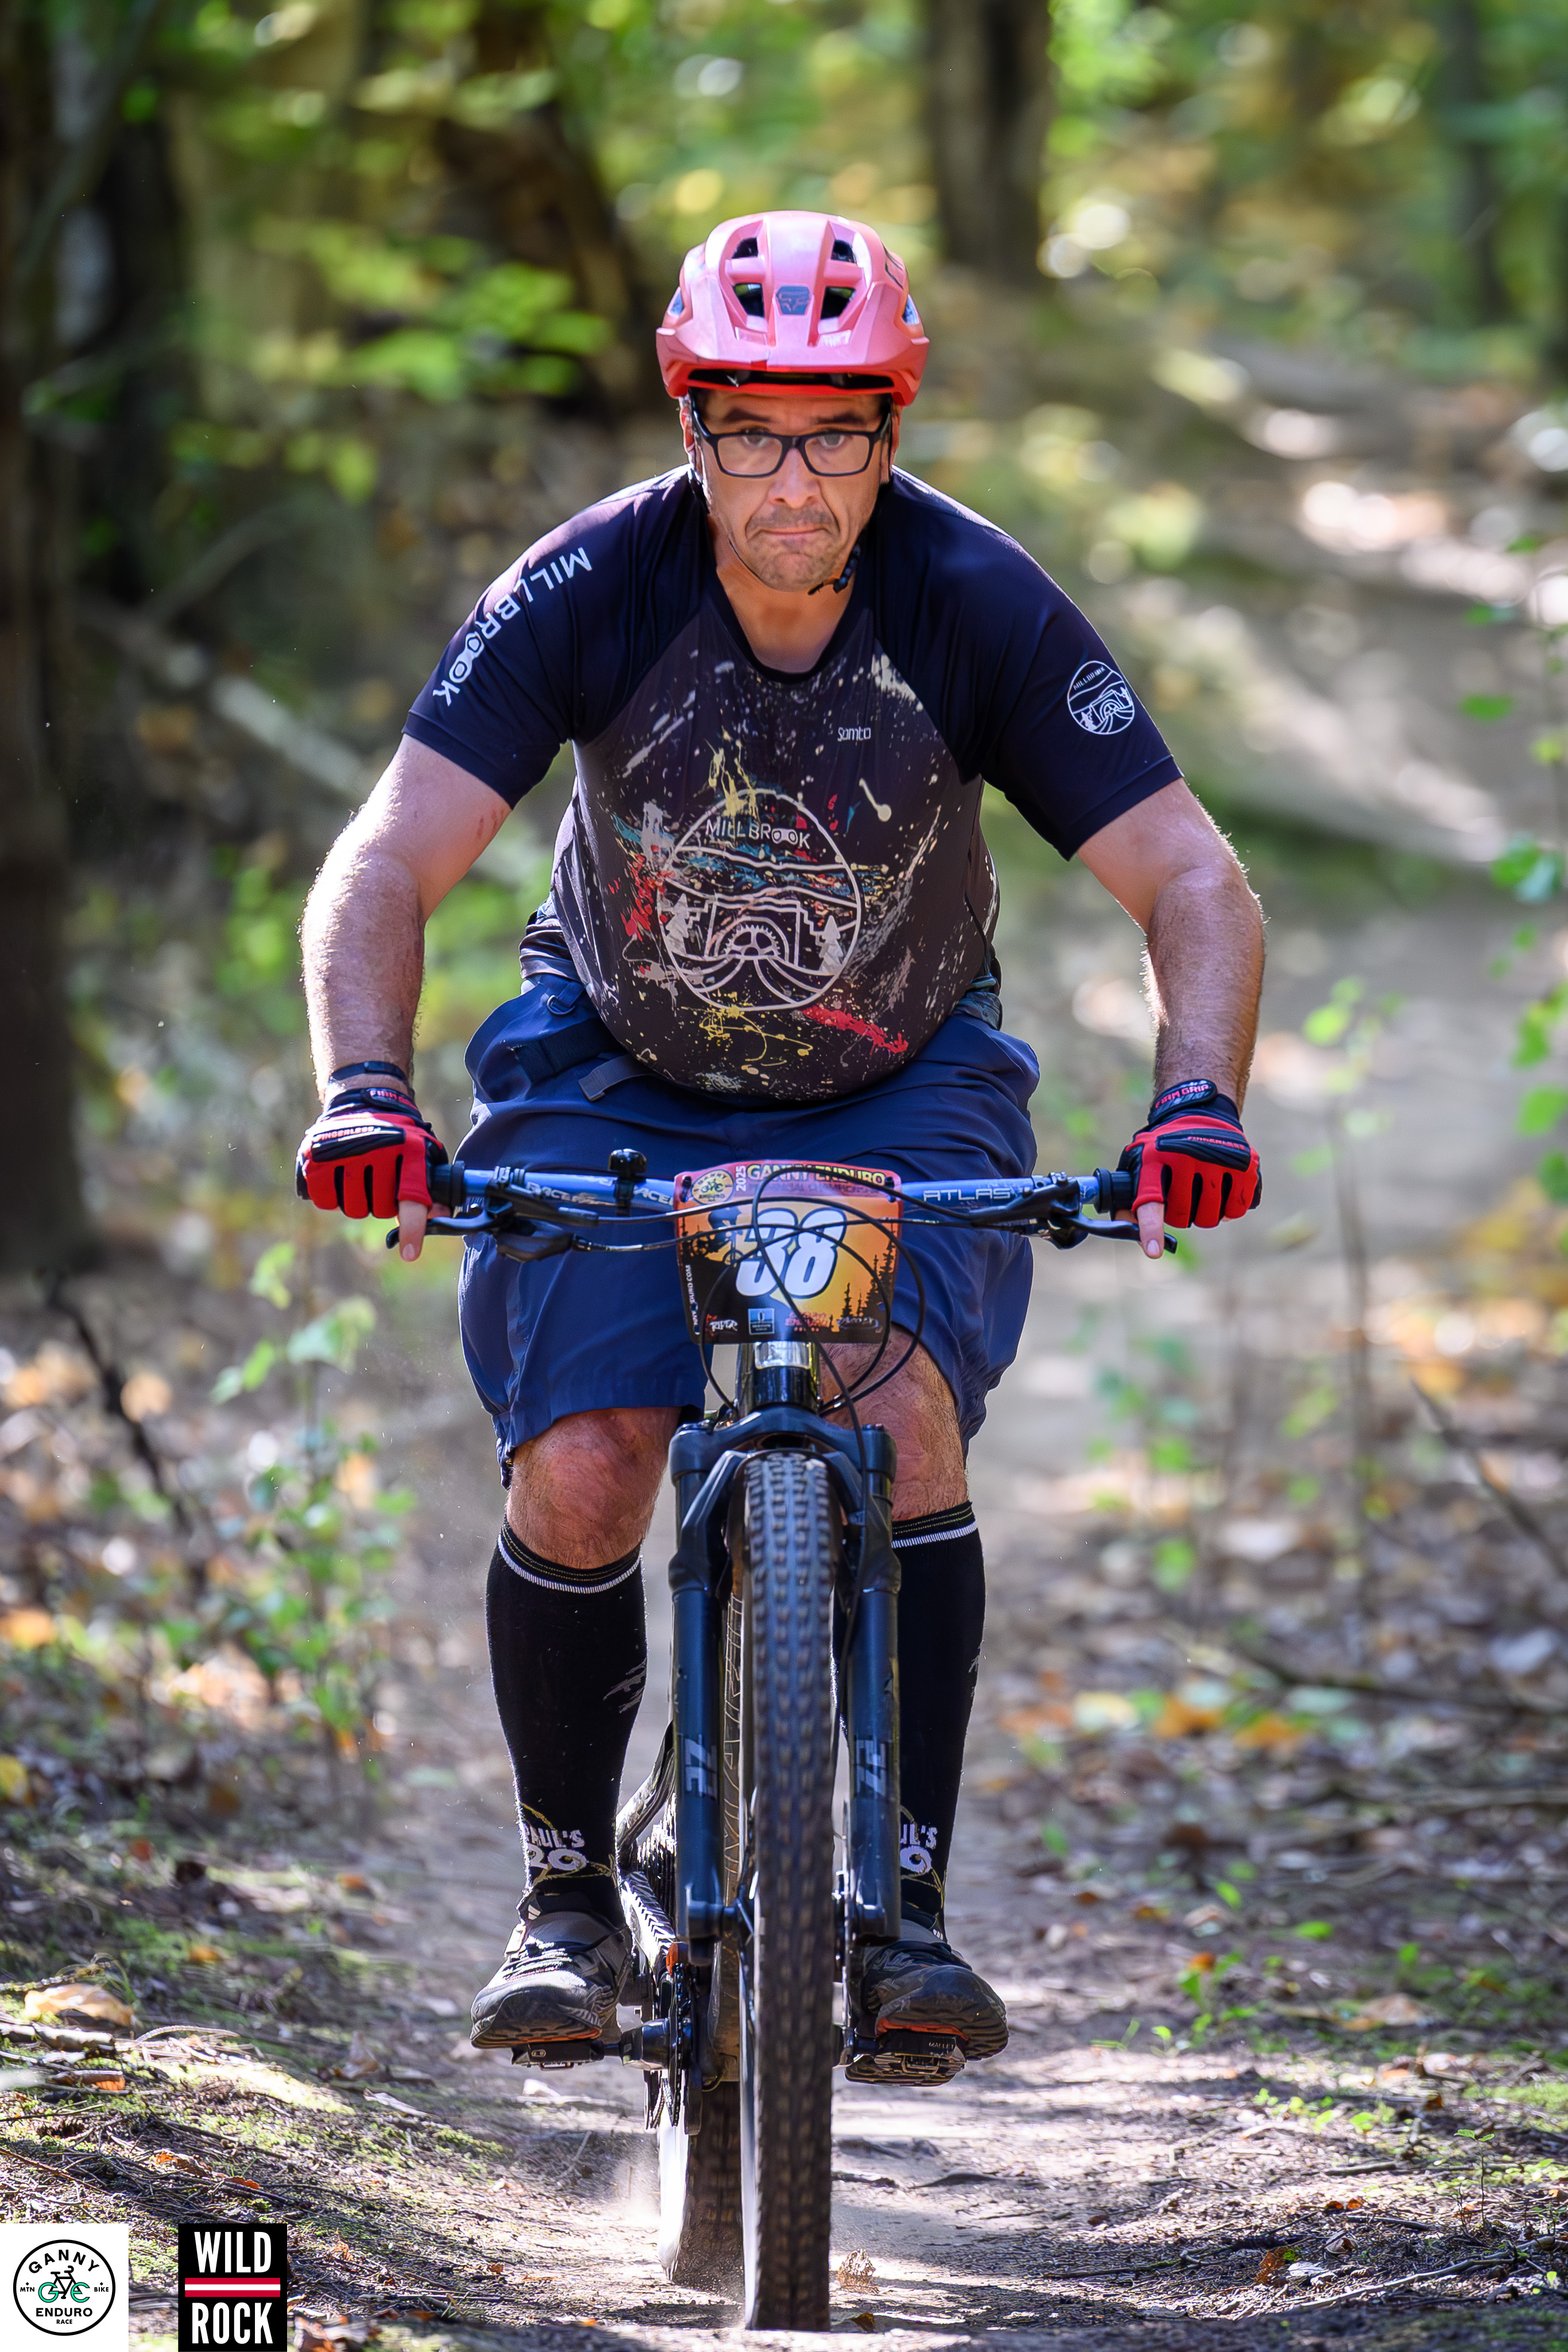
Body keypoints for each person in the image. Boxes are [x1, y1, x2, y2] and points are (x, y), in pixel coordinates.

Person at [296, 211, 1263, 2074]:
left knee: (896, 1419)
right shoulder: (590, 584)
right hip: (614, 1053)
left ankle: (904, 1908)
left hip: (899, 1065)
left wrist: (1195, 1101)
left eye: (836, 433)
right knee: (587, 1461)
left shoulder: (974, 598)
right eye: (750, 432)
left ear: (892, 432)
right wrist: (364, 1089)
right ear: (691, 426)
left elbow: (1190, 879)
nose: (794, 481)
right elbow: (386, 859)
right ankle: (565, 1898)